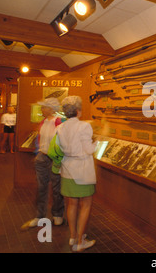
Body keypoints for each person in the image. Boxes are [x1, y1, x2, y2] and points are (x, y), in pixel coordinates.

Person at [53, 96, 97, 252]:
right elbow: (89, 150)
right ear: (78, 111)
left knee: (71, 204)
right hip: (83, 171)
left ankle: (73, 236)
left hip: (67, 170)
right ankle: (80, 242)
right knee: (85, 205)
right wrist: (98, 141)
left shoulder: (60, 128)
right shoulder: (84, 126)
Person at [21, 98, 64, 229]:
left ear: (51, 109)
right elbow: (40, 140)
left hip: (55, 159)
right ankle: (40, 215)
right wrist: (38, 154)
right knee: (41, 188)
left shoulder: (59, 122)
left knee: (57, 188)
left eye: (44, 107)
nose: (41, 109)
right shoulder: (43, 122)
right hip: (42, 157)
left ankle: (58, 214)